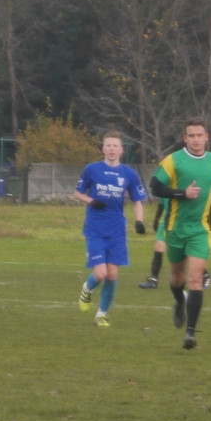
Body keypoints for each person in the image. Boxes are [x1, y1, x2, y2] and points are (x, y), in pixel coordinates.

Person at [149, 117, 211, 349]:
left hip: (200, 230)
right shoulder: (173, 161)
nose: (196, 140)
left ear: (207, 137)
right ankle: (178, 302)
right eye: (191, 136)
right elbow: (155, 187)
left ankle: (190, 333)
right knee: (177, 279)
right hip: (174, 230)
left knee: (195, 279)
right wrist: (182, 193)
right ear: (185, 138)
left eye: (200, 135)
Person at [72, 131, 148, 327]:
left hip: (117, 230)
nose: (112, 149)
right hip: (95, 228)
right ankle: (87, 290)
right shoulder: (92, 169)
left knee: (112, 274)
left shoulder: (129, 174)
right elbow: (77, 193)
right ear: (103, 148)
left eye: (115, 146)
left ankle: (102, 314)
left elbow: (138, 201)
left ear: (121, 150)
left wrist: (139, 221)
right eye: (108, 145)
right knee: (100, 274)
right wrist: (92, 201)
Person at [137, 199, 211, 289]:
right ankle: (154, 280)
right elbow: (161, 203)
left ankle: (205, 275)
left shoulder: (178, 186)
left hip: (179, 220)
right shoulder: (165, 186)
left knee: (187, 250)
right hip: (166, 219)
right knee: (158, 246)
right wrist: (156, 219)